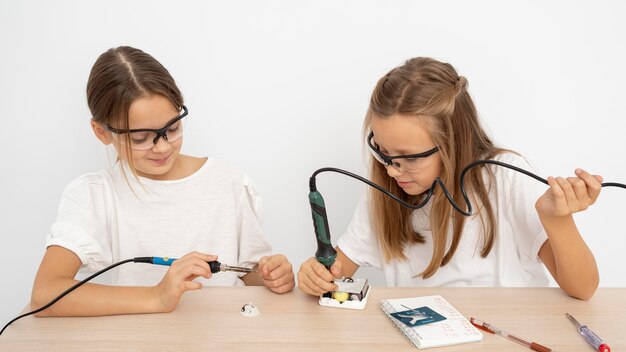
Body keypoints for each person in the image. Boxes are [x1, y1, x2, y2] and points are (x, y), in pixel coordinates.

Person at [297, 57, 601, 300]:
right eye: (383, 151)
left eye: (410, 157)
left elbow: (583, 289)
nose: (392, 170)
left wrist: (557, 219)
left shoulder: (504, 178)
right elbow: (336, 270)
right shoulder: (385, 188)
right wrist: (317, 275)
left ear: (454, 141)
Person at [31, 46, 294, 316]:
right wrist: (157, 297)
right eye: (140, 138)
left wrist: (273, 276)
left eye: (172, 128)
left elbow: (250, 274)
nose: (162, 147)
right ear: (102, 132)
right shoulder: (94, 195)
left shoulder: (228, 181)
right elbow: (45, 295)